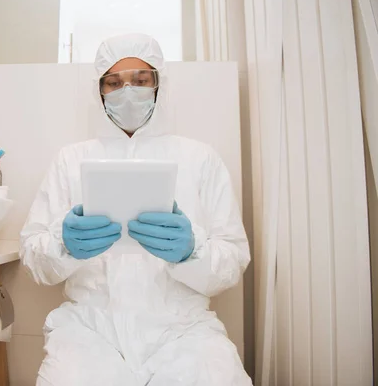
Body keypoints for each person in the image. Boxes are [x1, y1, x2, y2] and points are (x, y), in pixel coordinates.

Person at [20, 33, 252, 386]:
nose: (127, 91)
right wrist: (62, 245)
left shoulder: (200, 159)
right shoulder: (70, 160)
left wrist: (192, 251)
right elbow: (33, 258)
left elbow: (233, 259)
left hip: (183, 332)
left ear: (159, 84)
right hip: (89, 332)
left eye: (140, 80)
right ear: (100, 91)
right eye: (114, 82)